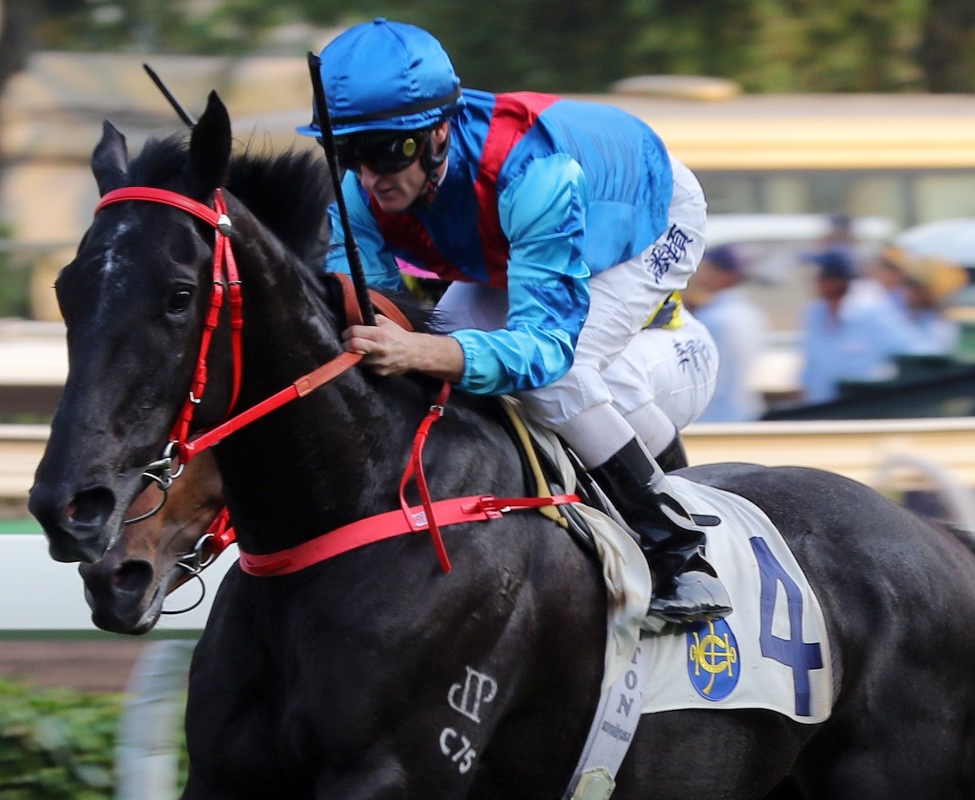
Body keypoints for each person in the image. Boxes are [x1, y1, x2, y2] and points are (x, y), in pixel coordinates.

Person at [298, 18, 727, 623]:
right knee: (446, 344)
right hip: (507, 231)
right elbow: (376, 316)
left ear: (439, 133)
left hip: (648, 217)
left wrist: (423, 352)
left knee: (555, 375)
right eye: (351, 154)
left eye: (387, 153)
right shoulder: (357, 191)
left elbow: (545, 349)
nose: (371, 178)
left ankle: (681, 552)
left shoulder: (534, 175)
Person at [798, 247, 925, 404]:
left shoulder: (871, 312)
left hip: (862, 410)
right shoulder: (814, 314)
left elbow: (915, 349)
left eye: (824, 276)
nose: (817, 281)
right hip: (819, 409)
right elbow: (810, 368)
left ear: (840, 280)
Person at [687, 244, 767, 422]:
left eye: (709, 269)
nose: (702, 275)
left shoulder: (710, 318)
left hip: (712, 418)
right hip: (746, 414)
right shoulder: (753, 314)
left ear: (726, 275)